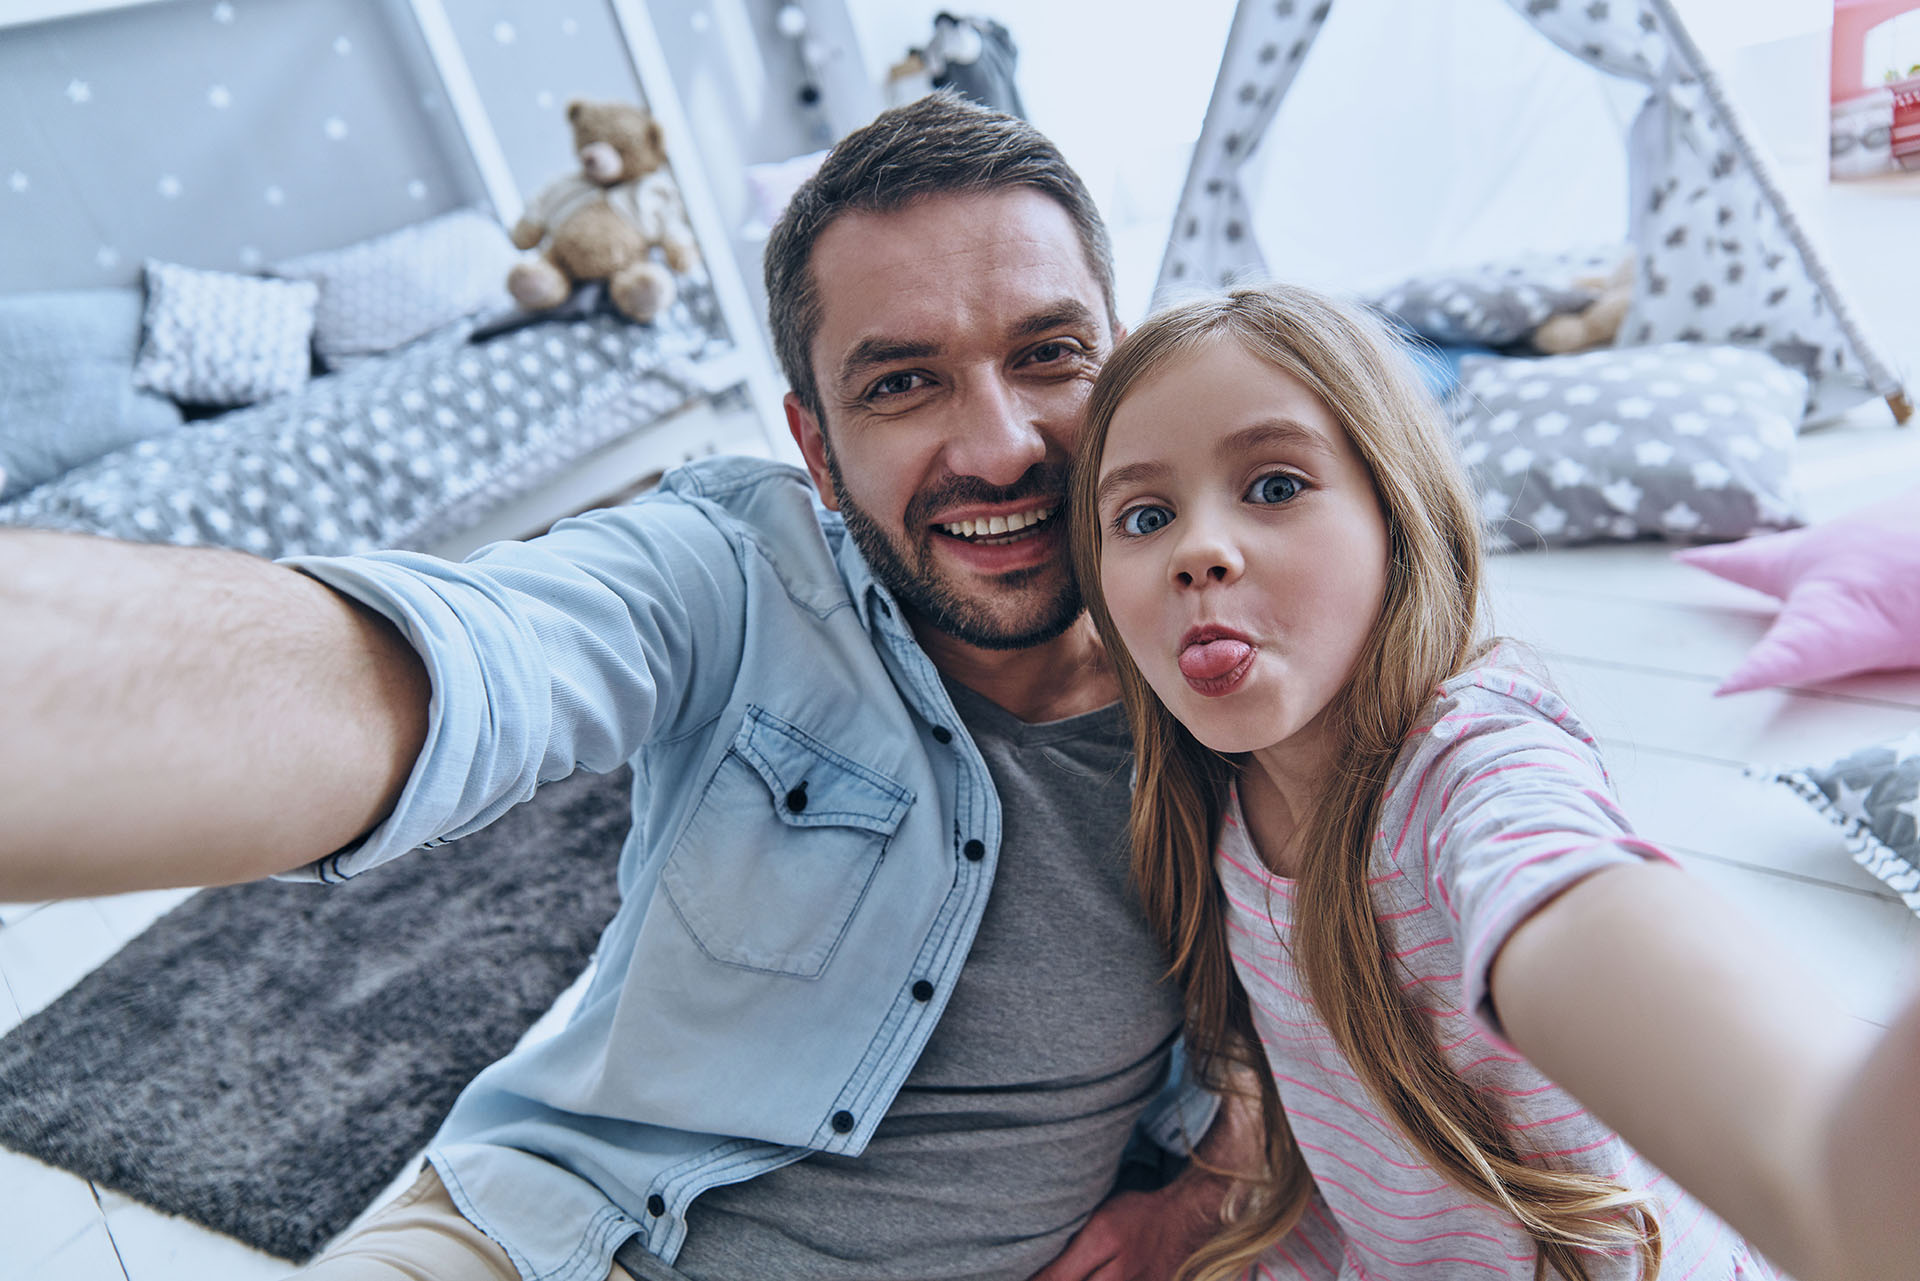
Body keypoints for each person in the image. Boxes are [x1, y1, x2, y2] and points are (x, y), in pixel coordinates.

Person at [0, 93, 1253, 1281]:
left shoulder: (1240, 680)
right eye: (901, 383)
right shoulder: (733, 573)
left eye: (1049, 355)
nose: (998, 447)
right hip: (558, 1239)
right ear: (813, 445)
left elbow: (1348, 953)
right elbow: (477, 663)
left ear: (1127, 365)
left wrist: (1206, 1189)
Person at [1065, 282, 1920, 1281]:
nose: (1198, 551)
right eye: (1145, 515)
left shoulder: (1466, 766)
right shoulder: (1209, 800)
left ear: (1400, 516)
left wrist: (1817, 1160)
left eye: (1274, 487)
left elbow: (1556, 880)